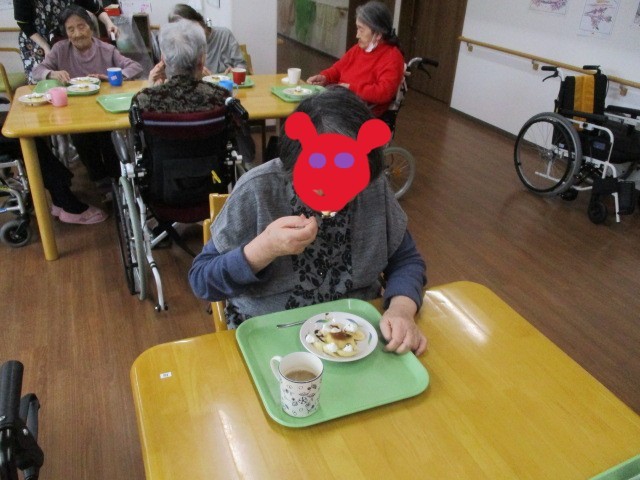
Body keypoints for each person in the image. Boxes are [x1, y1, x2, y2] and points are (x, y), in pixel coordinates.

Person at [189, 87, 427, 356]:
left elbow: (406, 259)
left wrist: (401, 309)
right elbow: (202, 280)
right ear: (293, 161)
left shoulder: (373, 187)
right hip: (270, 333)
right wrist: (264, 248)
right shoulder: (258, 190)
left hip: (357, 333)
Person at [32, 5, 142, 187]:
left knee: (108, 137)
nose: (77, 33)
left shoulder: (106, 49)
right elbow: (37, 71)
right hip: (74, 111)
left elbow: (135, 67)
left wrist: (110, 77)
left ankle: (117, 179)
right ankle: (100, 179)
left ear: (90, 27)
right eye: (71, 29)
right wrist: (52, 73)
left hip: (104, 108)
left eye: (81, 26)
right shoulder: (60, 49)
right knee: (81, 137)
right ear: (66, 33)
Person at [306, 1, 403, 118]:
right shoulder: (359, 48)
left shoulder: (392, 57)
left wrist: (351, 88)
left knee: (314, 113)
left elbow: (383, 92)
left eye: (361, 30)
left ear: (378, 34)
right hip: (343, 101)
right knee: (306, 105)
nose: (357, 35)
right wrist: (325, 77)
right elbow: (338, 69)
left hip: (360, 113)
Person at [133, 19, 228, 113]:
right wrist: (207, 84)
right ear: (201, 61)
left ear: (163, 59)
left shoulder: (141, 101)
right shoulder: (222, 98)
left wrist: (152, 89)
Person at [14, 0, 119, 84]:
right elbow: (23, 23)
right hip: (36, 40)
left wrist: (108, 23)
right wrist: (45, 47)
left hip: (64, 36)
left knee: (69, 80)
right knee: (41, 82)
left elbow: (95, 8)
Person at [168, 3, 247, 75]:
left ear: (199, 22)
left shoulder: (224, 35)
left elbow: (242, 65)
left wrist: (235, 71)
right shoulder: (183, 46)